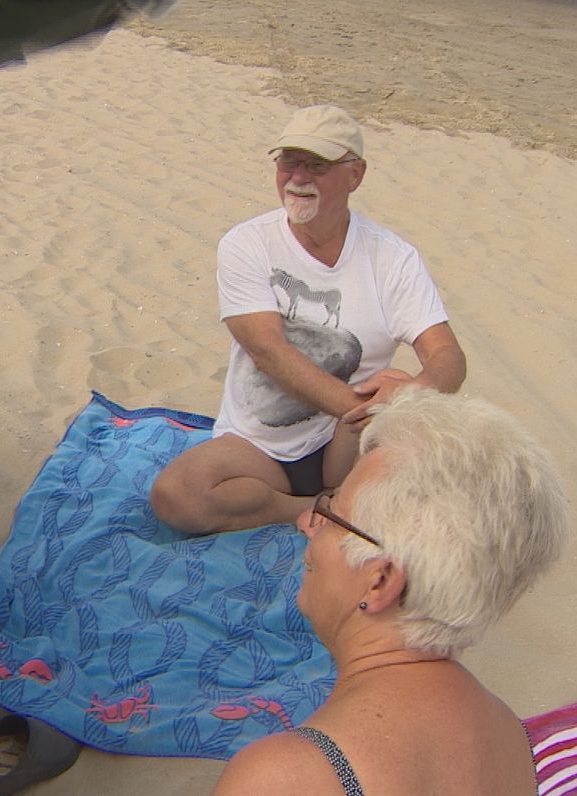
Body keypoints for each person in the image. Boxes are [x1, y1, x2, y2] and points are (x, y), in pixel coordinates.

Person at [212, 387, 570, 795]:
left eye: (331, 513)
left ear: (381, 580)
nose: (308, 524)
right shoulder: (508, 731)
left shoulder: (289, 778)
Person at [151, 104, 466, 534]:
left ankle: (348, 494)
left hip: (353, 442)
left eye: (317, 165)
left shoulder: (392, 258)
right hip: (261, 445)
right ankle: (314, 506)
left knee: (406, 400)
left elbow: (447, 355)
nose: (298, 178)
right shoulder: (248, 244)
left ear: (356, 175)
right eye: (288, 162)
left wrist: (409, 394)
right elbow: (268, 351)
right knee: (176, 496)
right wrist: (363, 407)